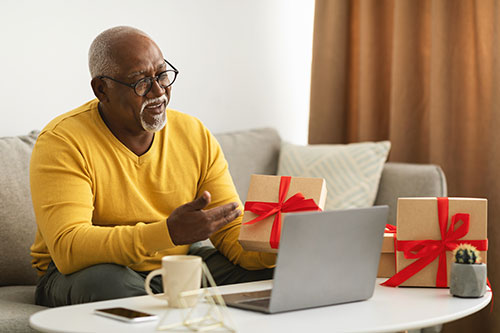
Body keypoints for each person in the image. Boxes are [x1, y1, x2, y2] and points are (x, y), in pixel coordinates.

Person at [30, 26, 276, 307]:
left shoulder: (194, 134)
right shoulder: (63, 140)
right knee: (110, 285)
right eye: (140, 82)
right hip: (82, 273)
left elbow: (230, 231)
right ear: (102, 89)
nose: (159, 91)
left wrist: (282, 247)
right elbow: (69, 248)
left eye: (162, 74)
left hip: (173, 264)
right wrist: (168, 232)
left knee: (273, 274)